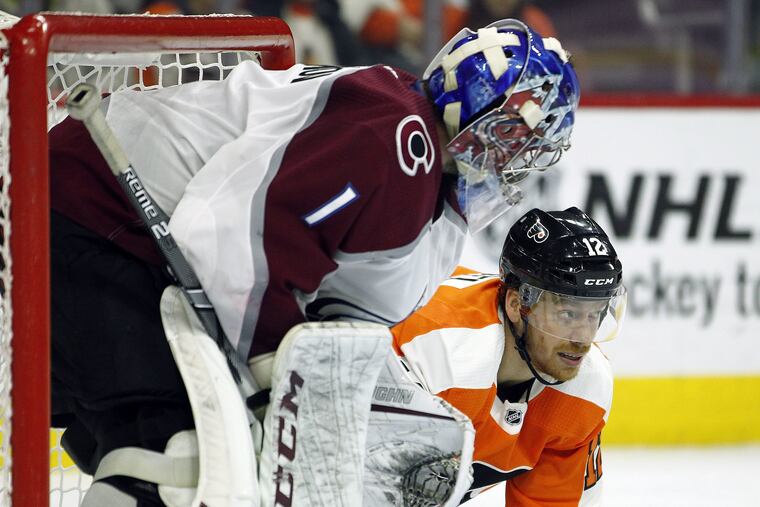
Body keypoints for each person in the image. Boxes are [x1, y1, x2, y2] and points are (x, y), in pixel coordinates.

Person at [49, 17, 579, 504]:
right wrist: (272, 373)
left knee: (204, 455)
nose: (522, 162)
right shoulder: (394, 140)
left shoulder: (423, 179)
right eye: (523, 140)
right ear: (490, 122)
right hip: (90, 209)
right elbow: (233, 234)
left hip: (117, 238)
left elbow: (328, 305)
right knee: (182, 458)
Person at [391, 207, 627, 505]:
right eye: (568, 313)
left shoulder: (585, 392)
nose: (583, 338)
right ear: (517, 305)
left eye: (594, 314)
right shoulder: (442, 351)